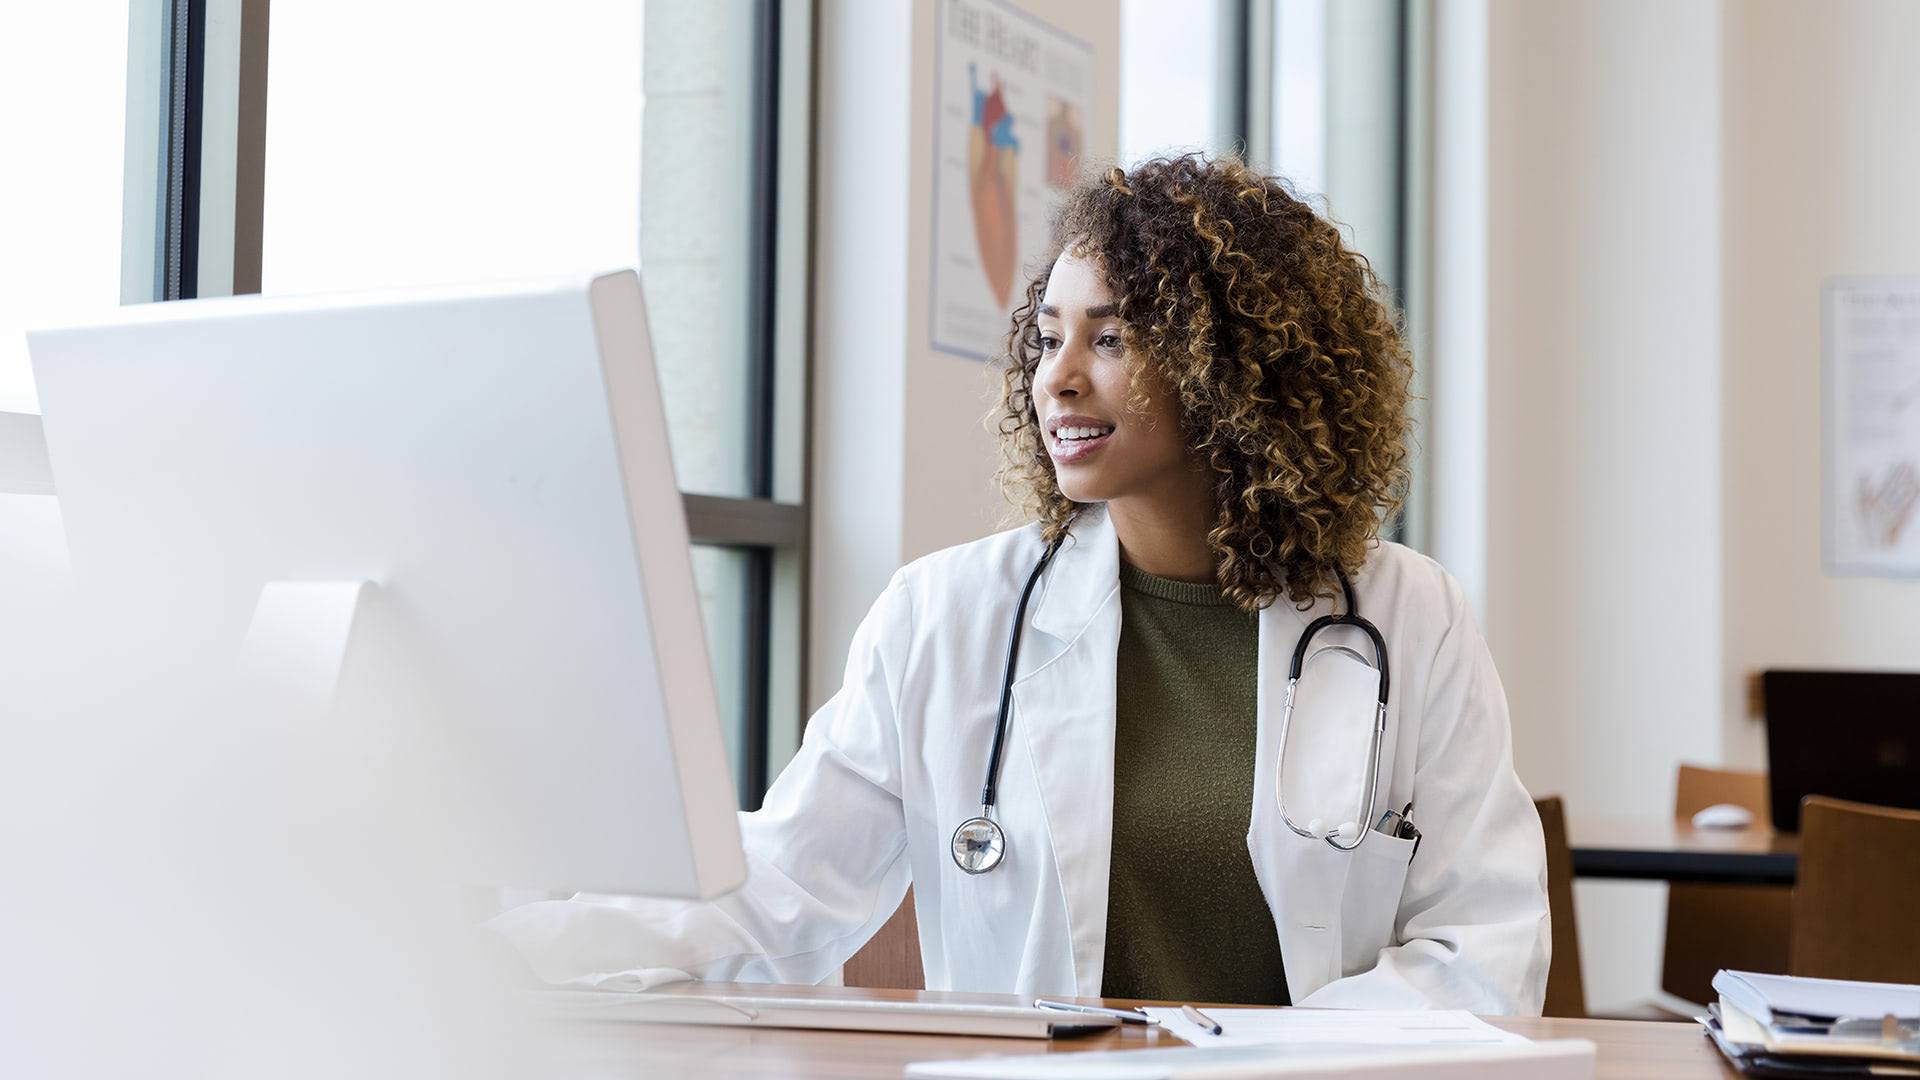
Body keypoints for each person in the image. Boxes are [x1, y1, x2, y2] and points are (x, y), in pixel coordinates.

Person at [491, 154, 1550, 1013]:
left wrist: (1247, 1063)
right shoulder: (945, 616)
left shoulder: (1408, 619)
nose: (1058, 376)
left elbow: (1483, 949)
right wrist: (507, 938)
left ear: (1233, 369)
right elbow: (777, 890)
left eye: (1114, 338)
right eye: (1047, 338)